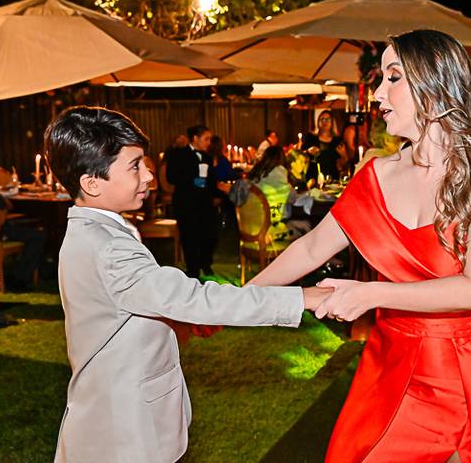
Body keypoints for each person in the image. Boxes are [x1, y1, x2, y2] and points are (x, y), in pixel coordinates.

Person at [249, 29, 471, 461]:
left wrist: (370, 294)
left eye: (393, 77)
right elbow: (309, 250)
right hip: (392, 369)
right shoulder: (375, 175)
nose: (378, 93)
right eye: (381, 78)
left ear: (435, 86)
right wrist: (239, 299)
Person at [43, 106, 330, 463]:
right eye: (135, 166)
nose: (149, 175)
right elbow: (191, 298)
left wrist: (179, 323)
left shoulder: (95, 231)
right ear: (92, 183)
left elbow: (125, 311)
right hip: (124, 429)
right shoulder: (108, 248)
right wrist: (301, 298)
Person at [0, 144, 46, 291]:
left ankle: (30, 272)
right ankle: (20, 278)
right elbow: (4, 205)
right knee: (38, 235)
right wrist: (5, 202)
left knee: (30, 230)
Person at [166, 125, 218, 277]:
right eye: (206, 139)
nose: (209, 142)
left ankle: (206, 263)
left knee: (209, 234)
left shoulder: (208, 157)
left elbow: (212, 181)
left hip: (205, 202)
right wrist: (192, 180)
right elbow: (171, 177)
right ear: (195, 138)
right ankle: (193, 269)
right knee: (189, 236)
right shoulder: (178, 154)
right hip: (186, 202)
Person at [247, 146, 297, 242]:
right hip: (270, 231)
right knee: (306, 227)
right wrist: (290, 186)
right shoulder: (280, 174)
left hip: (250, 228)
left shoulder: (256, 173)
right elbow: (293, 199)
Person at [304, 110, 346, 181]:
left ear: (332, 122)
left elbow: (343, 164)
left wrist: (343, 155)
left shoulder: (337, 140)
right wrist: (308, 151)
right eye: (322, 119)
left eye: (327, 119)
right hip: (313, 177)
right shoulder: (311, 138)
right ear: (318, 122)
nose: (324, 122)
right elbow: (302, 154)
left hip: (332, 177)